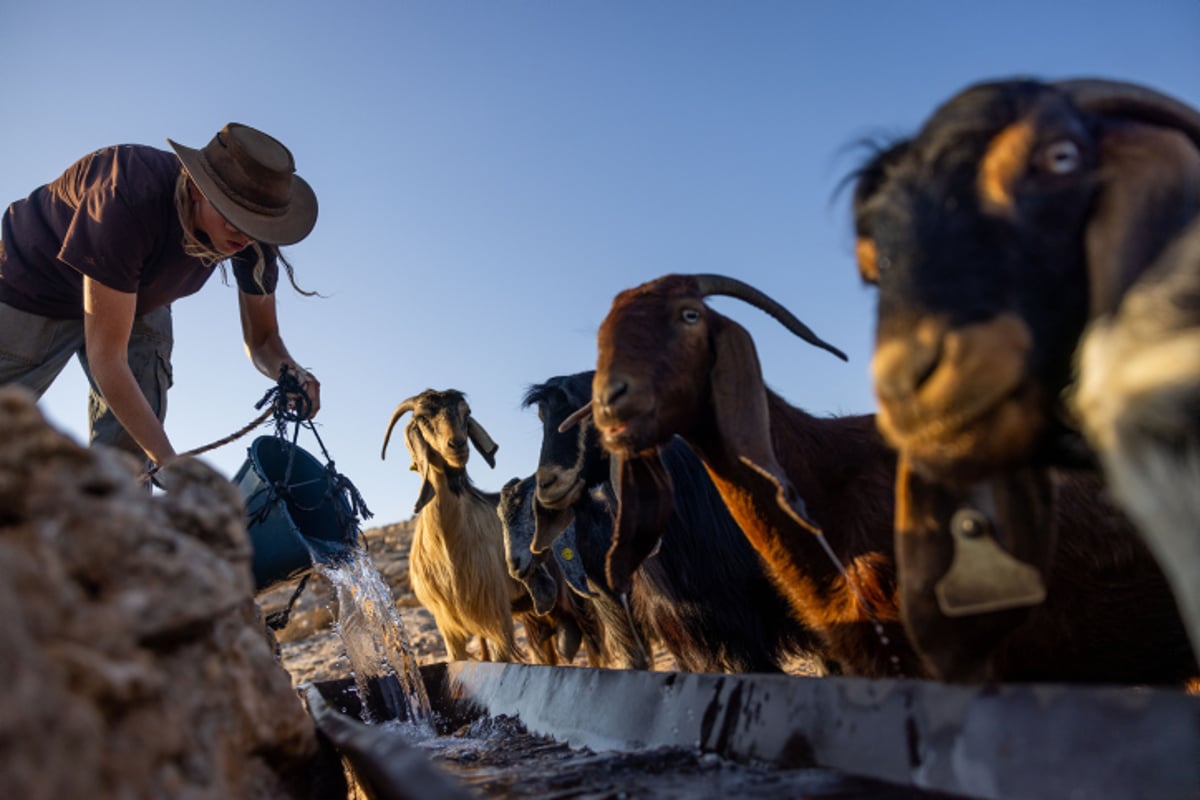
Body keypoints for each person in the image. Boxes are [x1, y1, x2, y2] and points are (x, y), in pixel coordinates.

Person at [0, 122, 322, 471]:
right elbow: (107, 357)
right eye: (232, 217)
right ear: (198, 189)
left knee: (130, 450)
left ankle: (120, 518)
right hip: (34, 285)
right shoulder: (126, 195)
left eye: (253, 224)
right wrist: (170, 464)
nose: (243, 235)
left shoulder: (251, 236)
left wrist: (290, 372)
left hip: (136, 296)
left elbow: (263, 340)